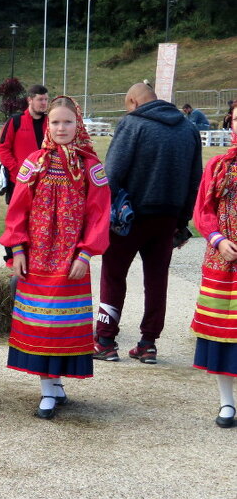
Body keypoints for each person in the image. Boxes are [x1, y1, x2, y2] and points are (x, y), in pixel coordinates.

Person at [0, 96, 110, 419]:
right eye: (55, 122)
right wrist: (18, 249)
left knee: (63, 324)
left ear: (79, 125)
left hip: (72, 260)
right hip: (37, 259)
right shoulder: (33, 162)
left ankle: (57, 383)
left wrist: (86, 253)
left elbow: (100, 214)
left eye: (68, 122)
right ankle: (47, 390)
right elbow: (17, 207)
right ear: (47, 125)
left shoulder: (92, 167)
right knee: (42, 322)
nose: (61, 128)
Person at [94, 83, 202, 364]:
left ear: (132, 101)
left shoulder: (132, 124)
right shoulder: (188, 128)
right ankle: (148, 342)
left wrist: (104, 213)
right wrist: (182, 220)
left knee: (113, 274)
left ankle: (105, 340)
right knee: (157, 280)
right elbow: (194, 178)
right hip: (168, 217)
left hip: (130, 216)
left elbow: (113, 173)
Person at [191, 117, 237, 428]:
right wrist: (218, 240)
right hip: (223, 261)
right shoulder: (219, 166)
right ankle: (227, 403)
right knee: (222, 335)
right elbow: (202, 210)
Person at [0, 84, 49, 205]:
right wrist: (17, 171)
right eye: (40, 99)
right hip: (19, 181)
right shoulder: (16, 121)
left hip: (45, 180)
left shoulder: (51, 122)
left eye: (46, 99)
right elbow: (3, 149)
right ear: (30, 100)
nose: (44, 103)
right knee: (18, 219)